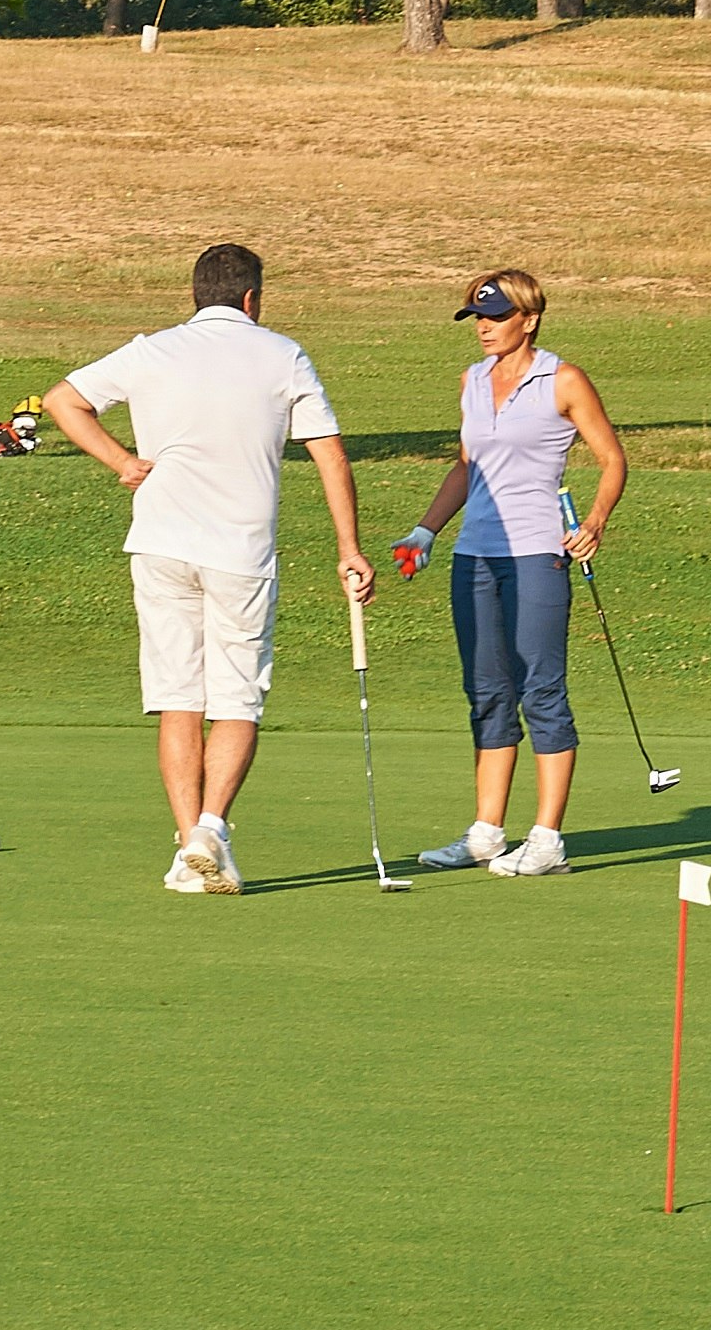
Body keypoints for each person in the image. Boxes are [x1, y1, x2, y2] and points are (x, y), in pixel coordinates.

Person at [46, 244, 377, 894]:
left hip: (160, 546)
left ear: (196, 295)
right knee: (236, 701)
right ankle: (212, 829)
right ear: (252, 299)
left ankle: (185, 851)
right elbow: (331, 457)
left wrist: (121, 462)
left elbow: (63, 401)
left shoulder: (152, 350)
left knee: (178, 700)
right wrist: (349, 549)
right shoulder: (283, 355)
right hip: (240, 555)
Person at [389, 268, 627, 877]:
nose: (484, 328)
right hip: (475, 556)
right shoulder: (472, 381)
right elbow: (467, 467)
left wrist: (595, 521)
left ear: (530, 319)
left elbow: (610, 459)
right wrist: (425, 531)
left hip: (537, 554)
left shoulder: (563, 379)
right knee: (487, 692)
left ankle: (547, 840)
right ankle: (486, 834)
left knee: (541, 689)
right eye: (477, 318)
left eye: (495, 316)